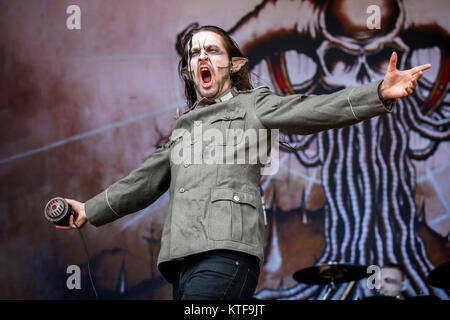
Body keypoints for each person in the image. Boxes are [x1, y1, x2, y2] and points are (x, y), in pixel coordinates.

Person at [56, 25, 431, 300]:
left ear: (233, 65)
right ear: (189, 71)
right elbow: (143, 180)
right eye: (194, 53)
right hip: (181, 263)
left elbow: (312, 109)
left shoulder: (252, 104)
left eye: (212, 51)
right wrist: (89, 209)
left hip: (226, 254)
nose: (202, 56)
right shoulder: (181, 130)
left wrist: (378, 93)